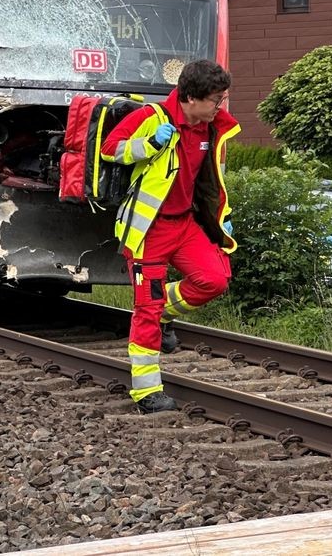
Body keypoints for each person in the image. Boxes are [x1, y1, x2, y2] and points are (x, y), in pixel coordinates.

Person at [101, 60, 238, 413]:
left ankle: (163, 315)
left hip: (185, 225)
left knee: (215, 279)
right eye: (215, 100)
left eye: (222, 99)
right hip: (149, 229)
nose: (220, 106)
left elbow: (210, 183)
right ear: (191, 98)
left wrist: (220, 219)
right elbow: (110, 149)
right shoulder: (152, 117)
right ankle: (147, 393)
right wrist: (148, 144)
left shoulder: (211, 129)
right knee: (146, 308)